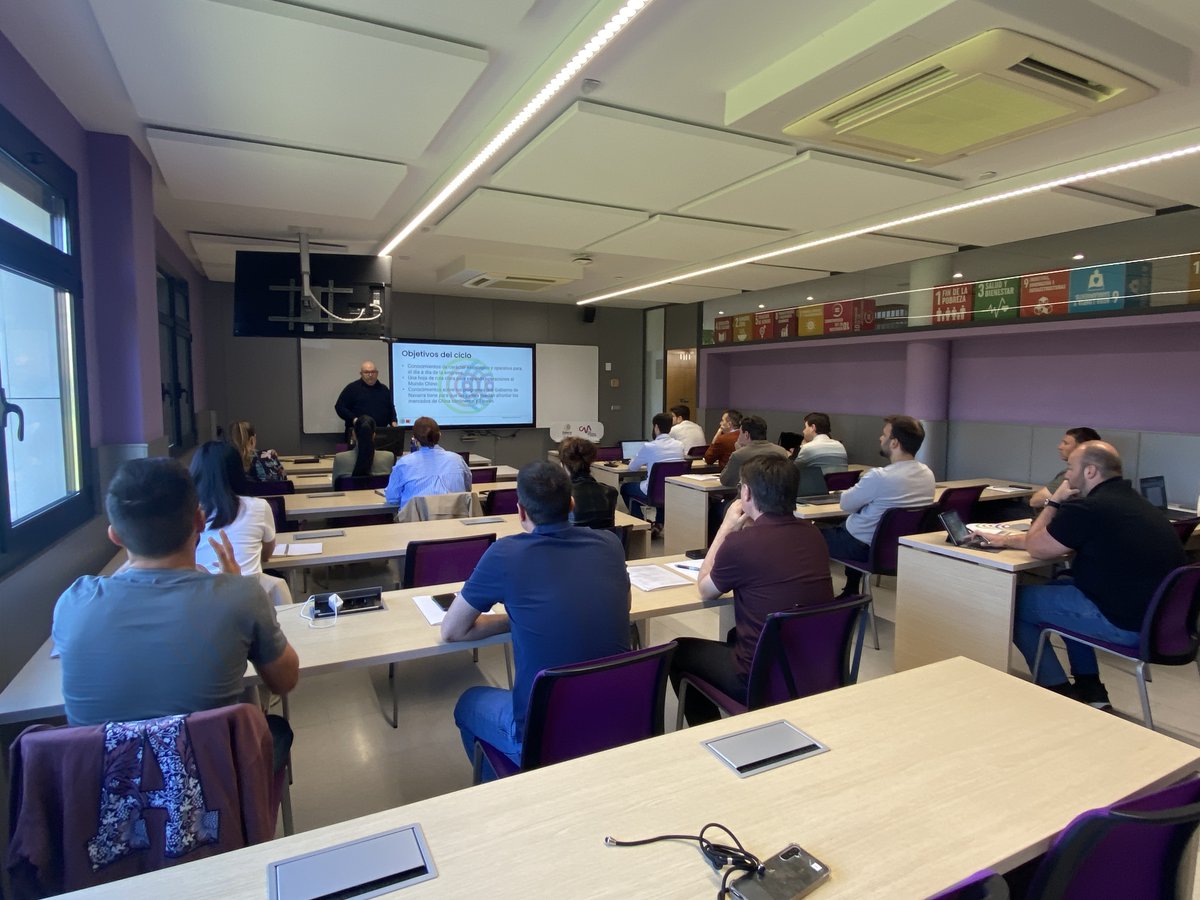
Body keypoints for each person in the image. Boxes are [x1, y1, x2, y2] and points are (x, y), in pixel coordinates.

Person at [51, 458, 299, 764]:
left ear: (115, 536)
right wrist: (239, 588)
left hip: (107, 799)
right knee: (273, 727)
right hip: (214, 792)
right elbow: (284, 681)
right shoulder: (241, 596)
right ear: (199, 521)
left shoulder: (73, 603)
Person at [441, 461, 630, 772]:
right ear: (571, 504)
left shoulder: (504, 554)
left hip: (544, 729)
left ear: (521, 512)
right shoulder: (610, 543)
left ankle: (518, 790)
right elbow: (623, 605)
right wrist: (521, 619)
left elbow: (451, 631)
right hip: (617, 714)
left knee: (467, 704)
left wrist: (513, 618)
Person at [978, 441, 1185, 708]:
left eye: (1070, 467)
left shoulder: (1089, 508)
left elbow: (1038, 547)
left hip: (1122, 623)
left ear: (1089, 472)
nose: (1066, 475)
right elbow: (1053, 540)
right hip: (1157, 622)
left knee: (1011, 603)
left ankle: (1056, 690)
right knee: (1063, 587)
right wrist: (1005, 540)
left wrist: (1054, 501)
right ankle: (1091, 690)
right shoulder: (1135, 504)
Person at [671, 456, 834, 725]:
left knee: (679, 651)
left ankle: (708, 729)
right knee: (735, 633)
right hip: (813, 665)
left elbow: (705, 589)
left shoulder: (740, 543)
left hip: (761, 673)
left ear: (746, 492)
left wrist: (726, 527)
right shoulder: (814, 536)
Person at [822, 415, 935, 596]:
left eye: (884, 435)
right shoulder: (927, 474)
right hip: (895, 549)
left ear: (894, 443)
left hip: (859, 546)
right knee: (853, 525)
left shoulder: (880, 477)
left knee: (807, 536)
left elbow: (845, 504)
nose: (880, 438)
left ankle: (814, 596)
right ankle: (851, 590)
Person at [620, 412, 686, 537]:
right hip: (672, 490)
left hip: (651, 491)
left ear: (656, 427)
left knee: (626, 488)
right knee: (663, 486)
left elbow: (632, 467)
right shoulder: (679, 445)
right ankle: (659, 524)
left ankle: (640, 523)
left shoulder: (649, 446)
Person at [383, 415, 471, 508]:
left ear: (414, 439)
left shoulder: (404, 463)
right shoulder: (457, 460)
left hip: (417, 521)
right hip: (455, 520)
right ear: (439, 435)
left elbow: (392, 499)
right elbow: (467, 489)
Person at [1029, 426, 1102, 509]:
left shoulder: (1072, 474)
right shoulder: (1102, 473)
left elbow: (1035, 502)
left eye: (1066, 443)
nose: (1060, 447)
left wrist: (1052, 502)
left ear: (1081, 447)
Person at [559, 436, 618, 529]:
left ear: (562, 465)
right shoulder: (610, 492)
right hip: (603, 543)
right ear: (590, 462)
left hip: (571, 543)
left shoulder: (559, 496)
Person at [334, 360, 398, 440]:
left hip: (381, 434)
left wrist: (394, 421)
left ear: (377, 373)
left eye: (373, 372)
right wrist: (353, 419)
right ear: (361, 374)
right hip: (357, 434)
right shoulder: (352, 388)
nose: (370, 375)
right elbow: (339, 407)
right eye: (366, 372)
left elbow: (391, 408)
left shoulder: (384, 389)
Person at [719, 415, 788, 487]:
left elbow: (726, 481)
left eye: (740, 433)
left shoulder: (738, 455)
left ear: (746, 435)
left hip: (751, 497)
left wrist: (740, 451)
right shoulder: (781, 451)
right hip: (778, 496)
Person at [331, 415, 396, 484]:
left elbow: (334, 487)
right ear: (374, 435)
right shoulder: (388, 457)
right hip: (376, 495)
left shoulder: (340, 458)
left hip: (350, 495)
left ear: (353, 434)